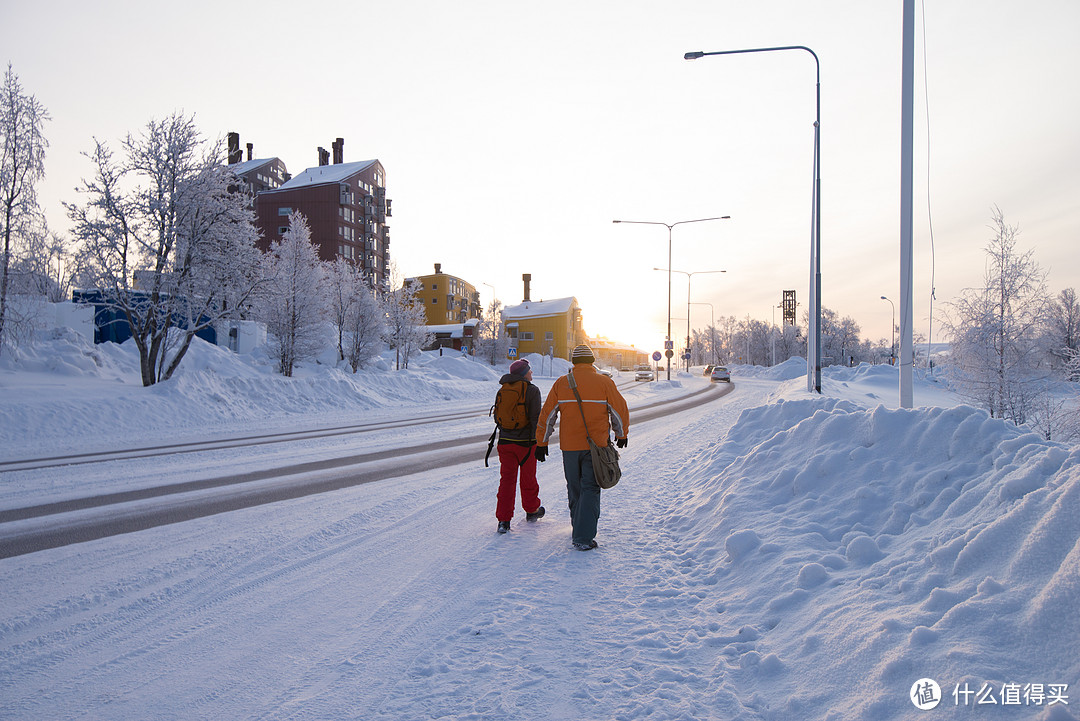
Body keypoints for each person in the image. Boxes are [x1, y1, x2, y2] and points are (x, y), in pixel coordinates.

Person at [536, 344, 629, 551]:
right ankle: (583, 537)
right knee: (591, 488)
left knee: (575, 487)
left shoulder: (561, 384)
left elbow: (547, 415)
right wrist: (621, 434)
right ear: (592, 361)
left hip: (569, 447)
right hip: (596, 446)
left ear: (573, 361)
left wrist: (541, 442)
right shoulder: (604, 382)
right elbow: (619, 410)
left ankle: (578, 527)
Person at [495, 358, 545, 534]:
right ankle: (532, 511)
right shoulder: (532, 390)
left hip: (505, 443)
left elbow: (497, 417)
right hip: (526, 444)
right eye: (529, 371)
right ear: (524, 373)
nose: (531, 373)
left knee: (506, 481)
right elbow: (535, 419)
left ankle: (503, 520)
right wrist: (538, 442)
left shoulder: (503, 389)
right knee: (528, 479)